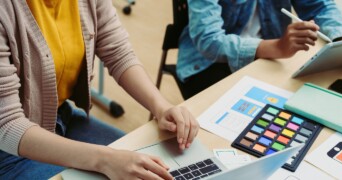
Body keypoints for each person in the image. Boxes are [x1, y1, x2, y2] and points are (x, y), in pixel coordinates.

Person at [0, 0, 199, 179]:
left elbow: (119, 53)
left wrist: (161, 106)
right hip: (8, 150)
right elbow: (7, 125)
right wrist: (104, 159)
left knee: (153, 167)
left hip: (59, 117)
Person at [177, 0, 342, 99]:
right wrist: (277, 47)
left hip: (272, 58)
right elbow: (209, 41)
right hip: (206, 64)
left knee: (315, 96)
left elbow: (320, 6)